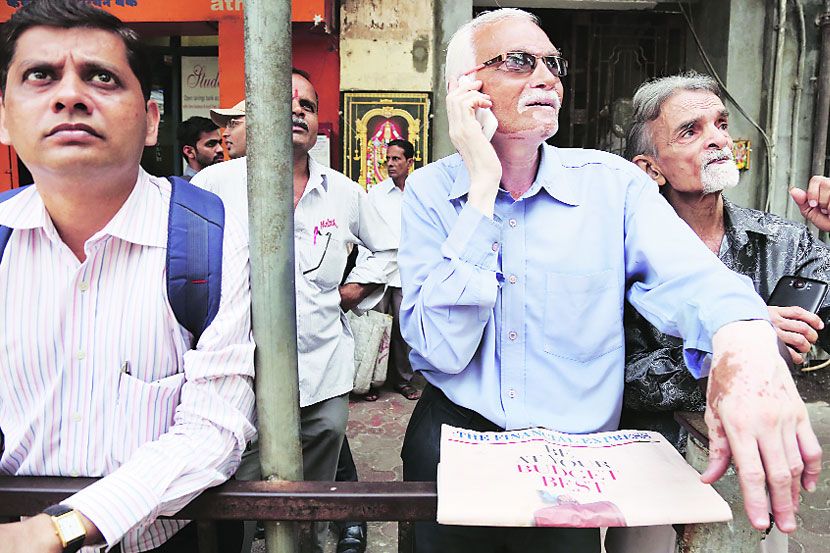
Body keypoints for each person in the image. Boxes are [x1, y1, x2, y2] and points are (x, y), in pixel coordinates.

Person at [397, 8, 821, 553]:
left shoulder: (612, 186)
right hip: (453, 441)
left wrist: (743, 343)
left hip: (571, 466)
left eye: (552, 63)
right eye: (519, 62)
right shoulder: (432, 192)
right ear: (465, 87)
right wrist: (482, 187)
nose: (547, 77)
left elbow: (691, 279)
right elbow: (441, 349)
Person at [0, 2, 256, 553]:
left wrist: (60, 528)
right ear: (4, 116)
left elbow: (216, 426)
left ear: (151, 120)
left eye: (102, 77)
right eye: (40, 76)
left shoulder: (209, 238)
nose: (70, 96)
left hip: (161, 541)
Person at [608, 71, 830, 553]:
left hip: (762, 469)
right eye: (691, 130)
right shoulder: (617, 257)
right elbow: (616, 372)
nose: (718, 139)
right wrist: (735, 343)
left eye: (721, 123)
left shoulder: (785, 241)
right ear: (649, 169)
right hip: (657, 467)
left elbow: (819, 340)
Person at [195, 68, 396, 553]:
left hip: (323, 367)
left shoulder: (343, 192)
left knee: (312, 496)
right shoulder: (216, 183)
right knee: (237, 496)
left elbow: (388, 250)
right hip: (239, 374)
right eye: (286, 103)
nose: (296, 112)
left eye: (306, 105)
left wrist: (352, 290)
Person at [359, 138, 419, 401]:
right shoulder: (376, 194)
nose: (391, 164)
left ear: (410, 162)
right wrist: (365, 270)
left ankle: (403, 381)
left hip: (408, 271)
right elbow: (365, 234)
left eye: (397, 159)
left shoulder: (420, 193)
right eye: (388, 159)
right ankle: (371, 381)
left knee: (405, 331)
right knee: (376, 327)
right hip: (380, 270)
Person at [176, 116, 223, 180]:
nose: (220, 149)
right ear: (189, 152)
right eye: (210, 144)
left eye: (220, 143)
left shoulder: (222, 182)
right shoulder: (182, 187)